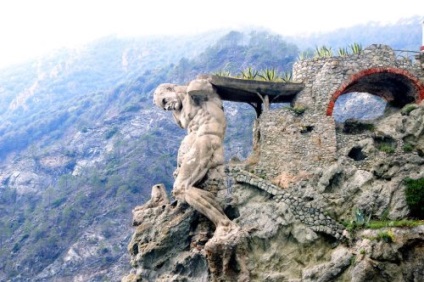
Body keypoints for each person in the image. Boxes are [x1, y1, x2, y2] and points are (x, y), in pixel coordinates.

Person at [153, 78, 237, 237]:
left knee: (181, 188)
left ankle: (224, 223)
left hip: (208, 140)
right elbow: (190, 134)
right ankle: (217, 220)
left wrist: (192, 87)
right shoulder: (178, 114)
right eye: (163, 107)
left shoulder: (194, 93)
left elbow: (205, 85)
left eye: (165, 100)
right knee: (180, 187)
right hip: (196, 145)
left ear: (172, 88)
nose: (167, 106)